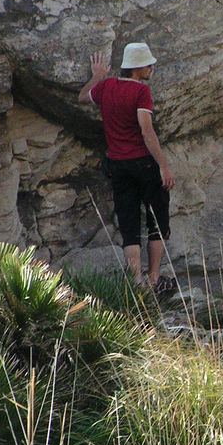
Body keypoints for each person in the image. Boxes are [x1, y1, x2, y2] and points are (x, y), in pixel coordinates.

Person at [78, 43, 176, 294]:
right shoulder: (141, 92)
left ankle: (136, 281)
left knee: (129, 224)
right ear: (137, 69)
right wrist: (163, 166)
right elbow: (147, 130)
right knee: (158, 219)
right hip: (143, 163)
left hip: (118, 166)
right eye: (148, 65)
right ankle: (153, 278)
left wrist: (97, 76)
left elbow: (82, 97)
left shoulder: (107, 86)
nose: (152, 68)